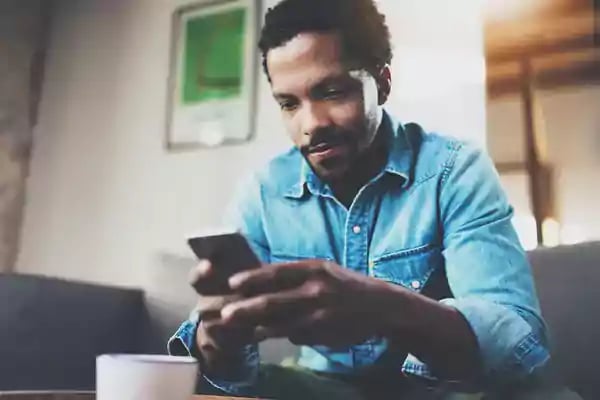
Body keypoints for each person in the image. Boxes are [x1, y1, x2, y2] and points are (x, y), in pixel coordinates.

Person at [168, 0, 580, 398]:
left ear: (382, 83)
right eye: (289, 103)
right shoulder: (263, 192)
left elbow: (517, 344)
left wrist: (382, 305)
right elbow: (226, 368)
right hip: (321, 387)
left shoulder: (454, 170)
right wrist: (219, 339)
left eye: (332, 91)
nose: (311, 124)